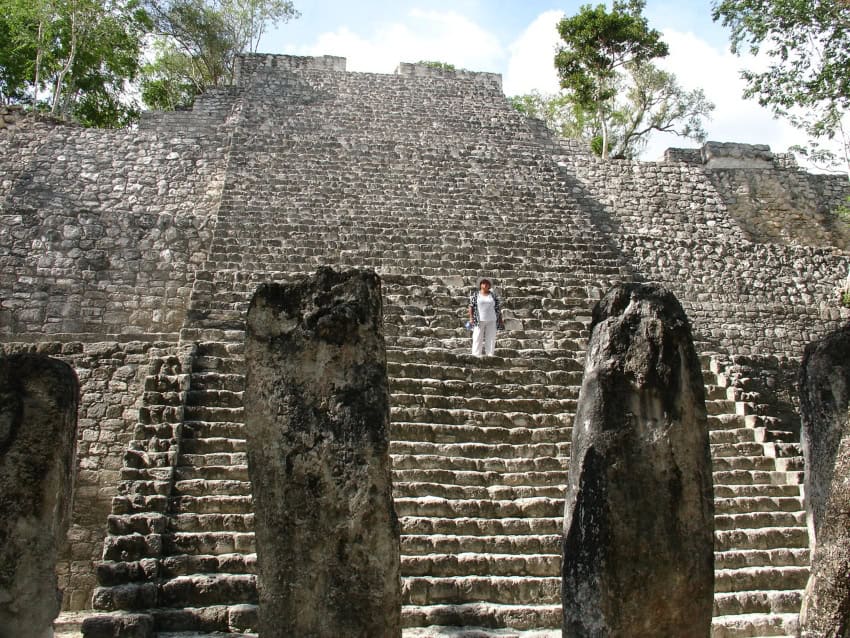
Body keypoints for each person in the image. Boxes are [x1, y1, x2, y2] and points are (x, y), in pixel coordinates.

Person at [467, 276, 504, 356]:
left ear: (489, 286)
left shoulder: (493, 296)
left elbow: (497, 308)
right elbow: (471, 306)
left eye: (487, 283)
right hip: (479, 319)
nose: (485, 285)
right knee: (477, 337)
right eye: (483, 283)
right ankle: (476, 355)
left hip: (492, 319)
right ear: (480, 285)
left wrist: (500, 319)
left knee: (491, 338)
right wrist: (471, 318)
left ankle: (490, 355)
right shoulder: (476, 295)